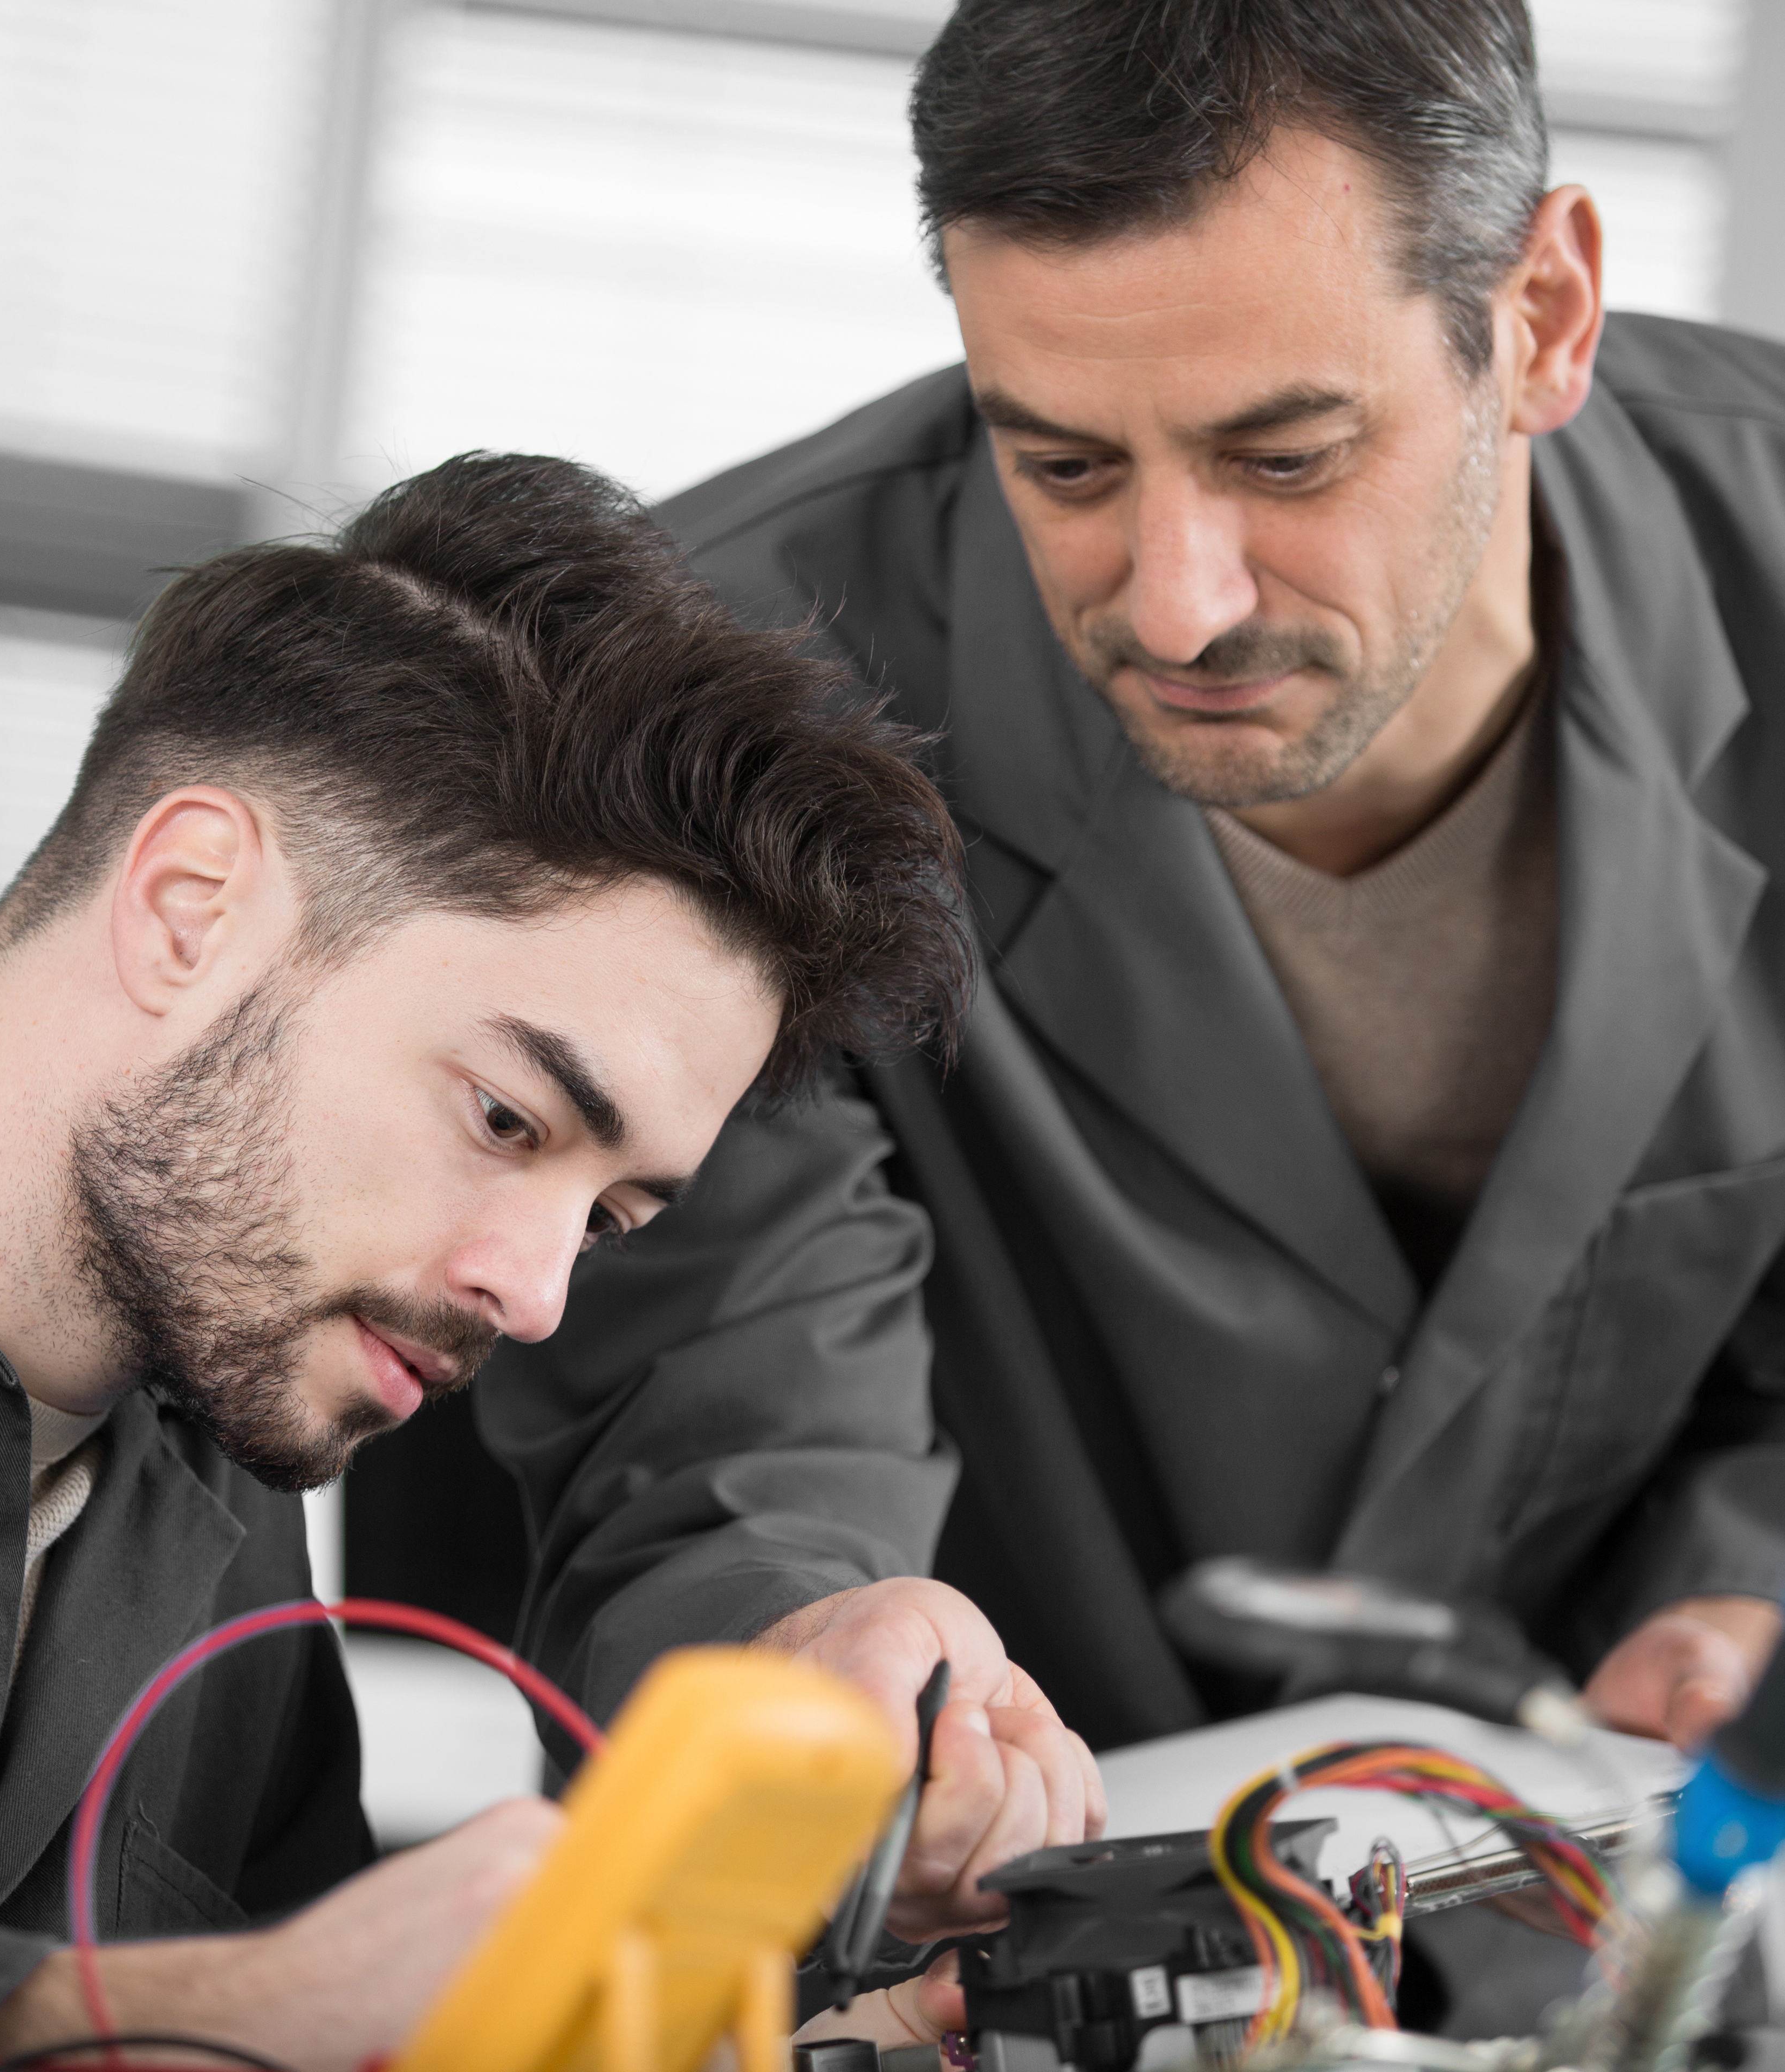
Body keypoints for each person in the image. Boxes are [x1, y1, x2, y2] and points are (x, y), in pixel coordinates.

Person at [472, 0, 1785, 1889]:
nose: (1176, 604)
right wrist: (816, 1690)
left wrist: (1747, 1589)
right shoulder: (698, 707)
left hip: (1628, 1894)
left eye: (1287, 457)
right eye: (1065, 469)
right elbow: (718, 1443)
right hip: (996, 1936)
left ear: (1543, 320)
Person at [0, 450, 1019, 2065]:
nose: (535, 1294)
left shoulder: (223, 1528)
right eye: (509, 1120)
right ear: (192, 908)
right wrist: (155, 2015)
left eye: (607, 1222)